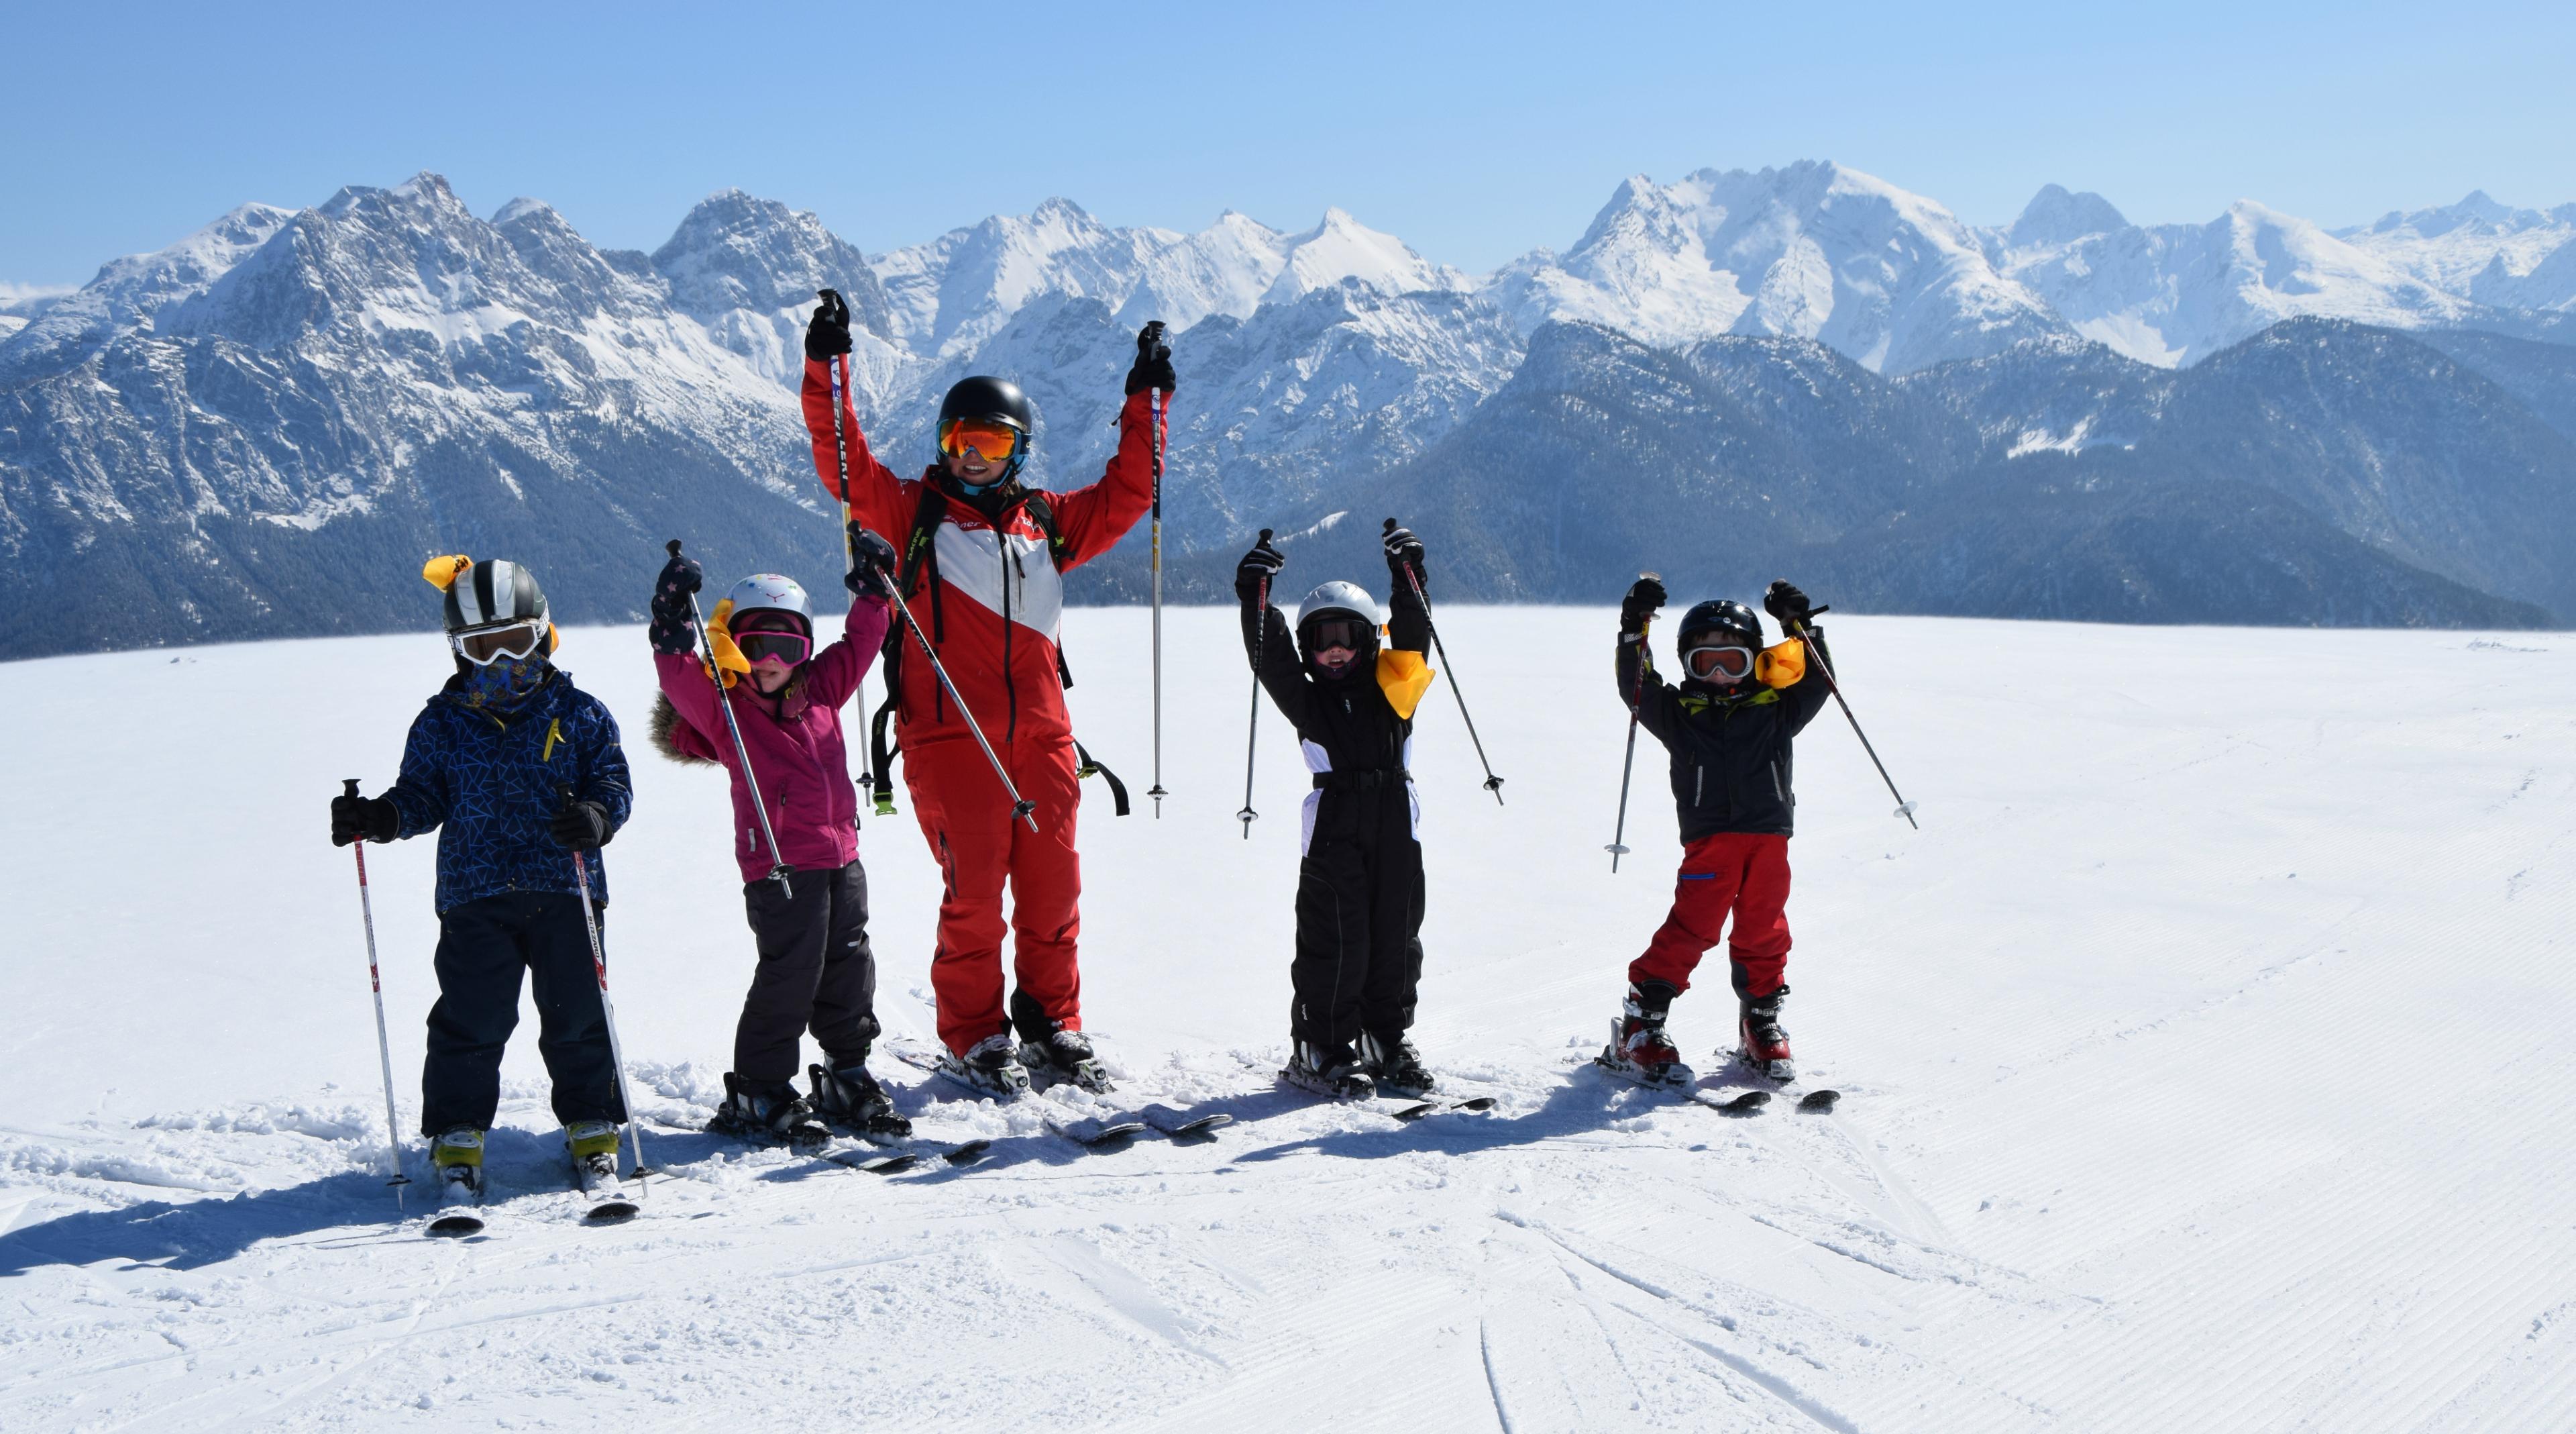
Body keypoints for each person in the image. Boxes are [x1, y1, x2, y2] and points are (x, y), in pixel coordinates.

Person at [799, 289, 1171, 1096]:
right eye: (959, 440)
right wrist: (828, 366)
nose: (973, 455)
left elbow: (1130, 493)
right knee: (973, 898)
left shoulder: (1047, 523)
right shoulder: (912, 515)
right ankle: (974, 1034)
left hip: (1042, 738)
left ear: (1019, 449)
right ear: (943, 443)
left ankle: (1053, 1022)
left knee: (1053, 893)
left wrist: (1148, 400)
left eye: (992, 441)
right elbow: (842, 460)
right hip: (950, 740)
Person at [329, 556, 634, 1200]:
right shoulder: (441, 723)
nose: (501, 662)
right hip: (476, 892)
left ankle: (592, 1121)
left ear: (542, 634)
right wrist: (380, 817)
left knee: (578, 1012)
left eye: (515, 642)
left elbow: (613, 781)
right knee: (470, 1017)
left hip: (566, 889)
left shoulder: (580, 713)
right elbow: (422, 796)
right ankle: (458, 1131)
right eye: (481, 648)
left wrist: (597, 815)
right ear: (457, 649)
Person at [645, 533, 904, 1146]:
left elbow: (861, 644)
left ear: (804, 650)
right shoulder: (727, 711)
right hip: (780, 869)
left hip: (842, 856)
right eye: (754, 644)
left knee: (849, 963)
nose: (769, 660)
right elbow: (679, 677)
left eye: (787, 646)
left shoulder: (822, 689)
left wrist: (875, 594)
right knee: (791, 972)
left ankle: (847, 1070)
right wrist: (671, 622)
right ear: (732, 646)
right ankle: (759, 1085)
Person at [1599, 578, 1833, 1088]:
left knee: (1764, 928)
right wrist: (1634, 628)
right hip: (1710, 843)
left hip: (1769, 839)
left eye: (1733, 661)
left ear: (1756, 662)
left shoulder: (1777, 708)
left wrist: (1800, 626)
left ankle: (1760, 1020)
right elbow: (1636, 686)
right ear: (1688, 665)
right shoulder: (1679, 714)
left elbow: (1819, 680)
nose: (1721, 674)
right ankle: (1642, 1023)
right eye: (1706, 663)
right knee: (1693, 928)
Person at [1234, 525, 1438, 1099]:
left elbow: (1414, 633)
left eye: (1346, 636)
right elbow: (1269, 656)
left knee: (1396, 933)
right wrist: (1254, 593)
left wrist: (1408, 575)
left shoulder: (1396, 686)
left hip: (1396, 818)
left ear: (1369, 639)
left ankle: (1384, 1035)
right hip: (1334, 822)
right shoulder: (1307, 699)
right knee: (1336, 933)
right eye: (1322, 640)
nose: (1335, 650)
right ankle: (1319, 1043)